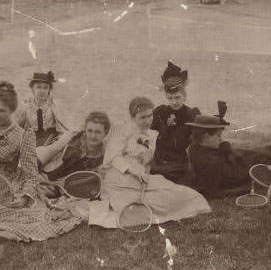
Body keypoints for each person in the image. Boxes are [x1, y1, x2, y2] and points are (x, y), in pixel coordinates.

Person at [0, 81, 82, 241]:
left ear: (12, 111)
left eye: (2, 111)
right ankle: (7, 218)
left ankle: (20, 218)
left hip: (15, 187)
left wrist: (24, 197)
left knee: (33, 215)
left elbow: (31, 174)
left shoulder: (23, 136)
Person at [88, 97, 211, 228]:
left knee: (182, 194)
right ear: (133, 117)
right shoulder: (122, 131)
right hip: (119, 179)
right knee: (152, 202)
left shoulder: (151, 135)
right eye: (142, 117)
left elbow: (146, 164)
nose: (147, 121)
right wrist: (132, 170)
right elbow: (113, 158)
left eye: (150, 115)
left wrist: (143, 173)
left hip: (141, 180)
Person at [187, 114, 271, 198]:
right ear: (206, 137)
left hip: (229, 162)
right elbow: (212, 192)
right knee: (257, 157)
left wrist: (224, 147)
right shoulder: (212, 164)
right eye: (218, 136)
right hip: (235, 170)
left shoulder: (195, 146)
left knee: (254, 152)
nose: (221, 139)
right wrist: (245, 189)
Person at [150, 61, 200, 183]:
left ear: (184, 96)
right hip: (159, 157)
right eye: (170, 98)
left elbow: (195, 141)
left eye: (177, 97)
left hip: (179, 160)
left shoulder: (191, 114)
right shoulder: (160, 112)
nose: (174, 102)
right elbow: (150, 133)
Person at [15, 71, 72, 164]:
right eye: (38, 87)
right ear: (32, 89)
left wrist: (59, 140)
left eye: (45, 88)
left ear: (49, 90)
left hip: (50, 140)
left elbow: (63, 127)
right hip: (32, 142)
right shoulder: (26, 107)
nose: (42, 91)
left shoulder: (54, 105)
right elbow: (18, 128)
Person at [43, 111, 111, 181]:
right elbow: (52, 170)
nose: (93, 136)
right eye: (90, 131)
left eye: (98, 132)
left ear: (105, 133)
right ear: (85, 130)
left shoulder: (107, 154)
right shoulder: (73, 147)